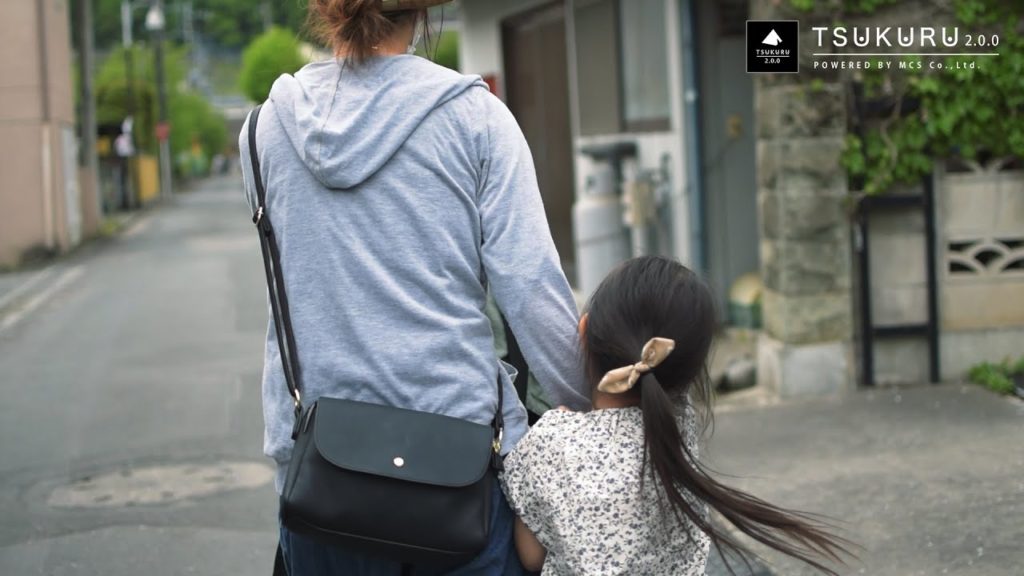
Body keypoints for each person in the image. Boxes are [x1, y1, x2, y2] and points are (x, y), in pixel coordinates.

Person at [238, 0, 589, 574]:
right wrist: (598, 405)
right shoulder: (477, 118)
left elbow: (298, 286)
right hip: (460, 470)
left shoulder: (262, 132)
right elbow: (532, 294)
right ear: (424, 13)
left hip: (322, 478)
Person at [500, 256, 854, 575]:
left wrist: (554, 434)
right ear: (689, 370)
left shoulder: (553, 441)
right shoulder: (678, 429)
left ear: (583, 332)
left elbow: (531, 556)